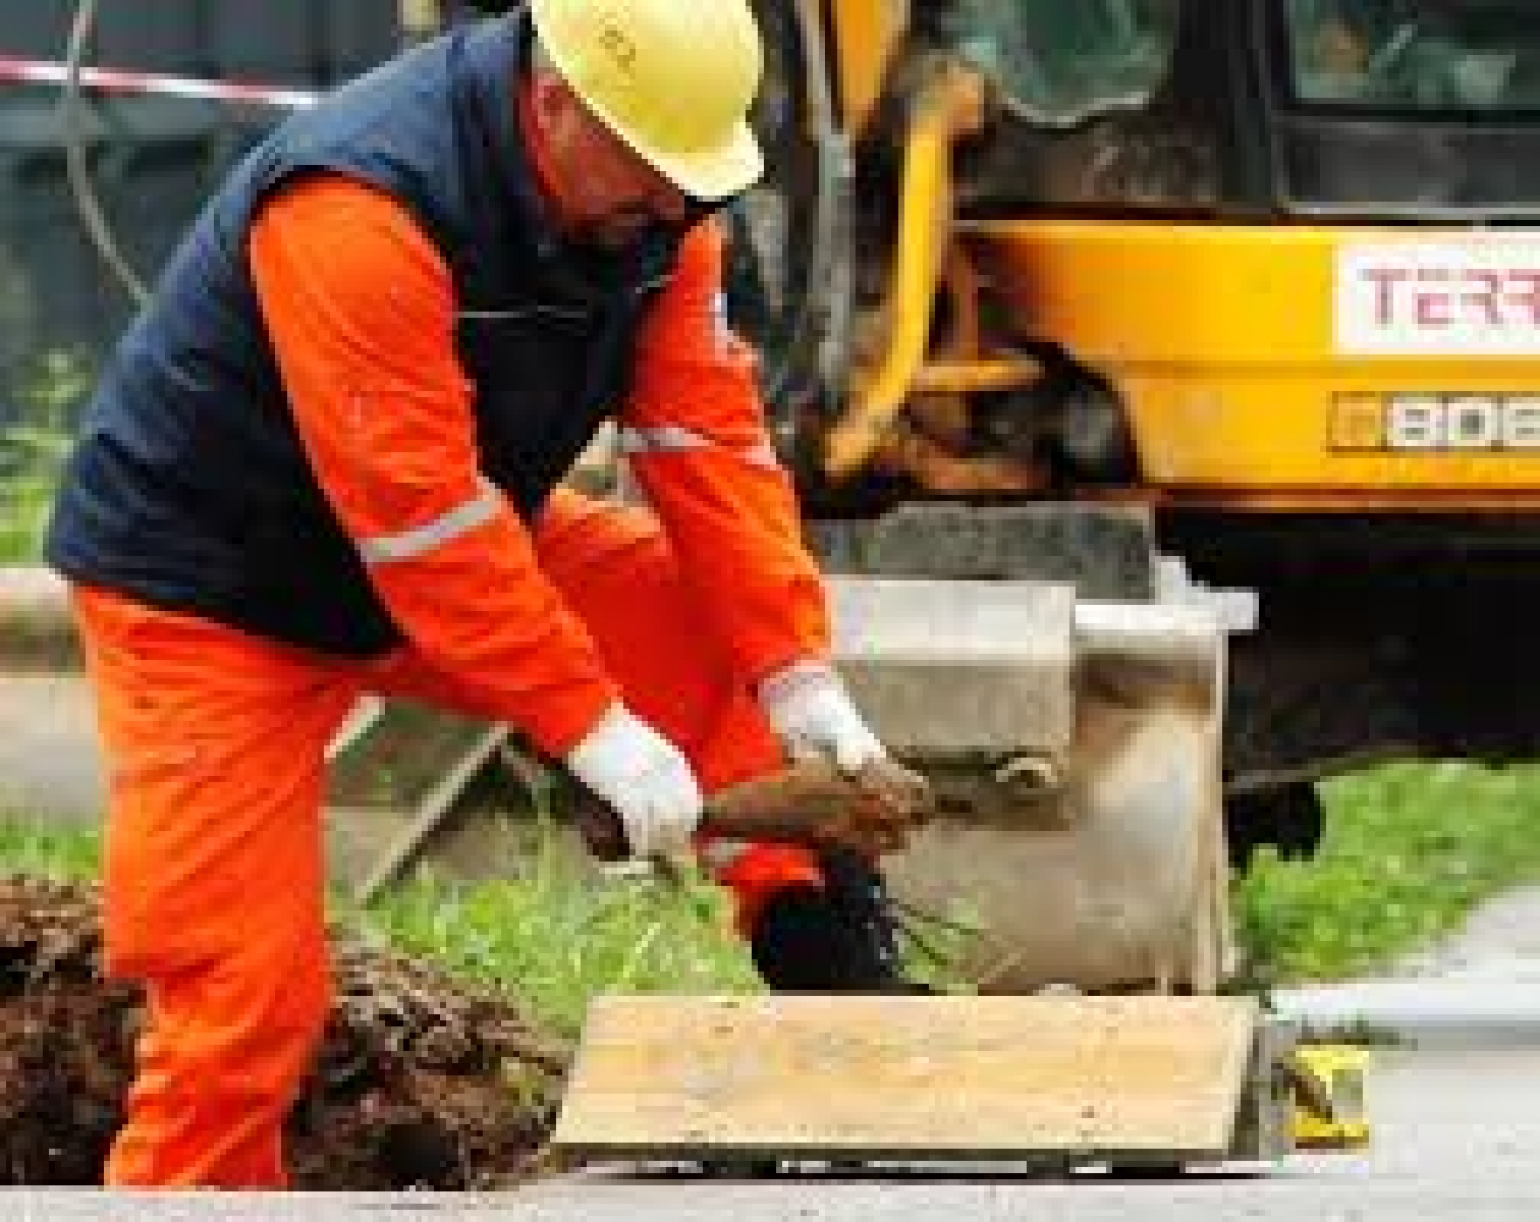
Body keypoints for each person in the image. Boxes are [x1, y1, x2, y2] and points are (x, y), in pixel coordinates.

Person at [46, 0, 924, 1190]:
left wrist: (794, 668)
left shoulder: (660, 207)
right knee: (241, 1002)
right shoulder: (358, 208)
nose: (674, 204)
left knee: (705, 630)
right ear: (555, 101)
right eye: (653, 174)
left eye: (691, 179)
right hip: (217, 592)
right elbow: (423, 526)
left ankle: (837, 974)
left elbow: (706, 441)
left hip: (442, 533)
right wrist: (591, 727)